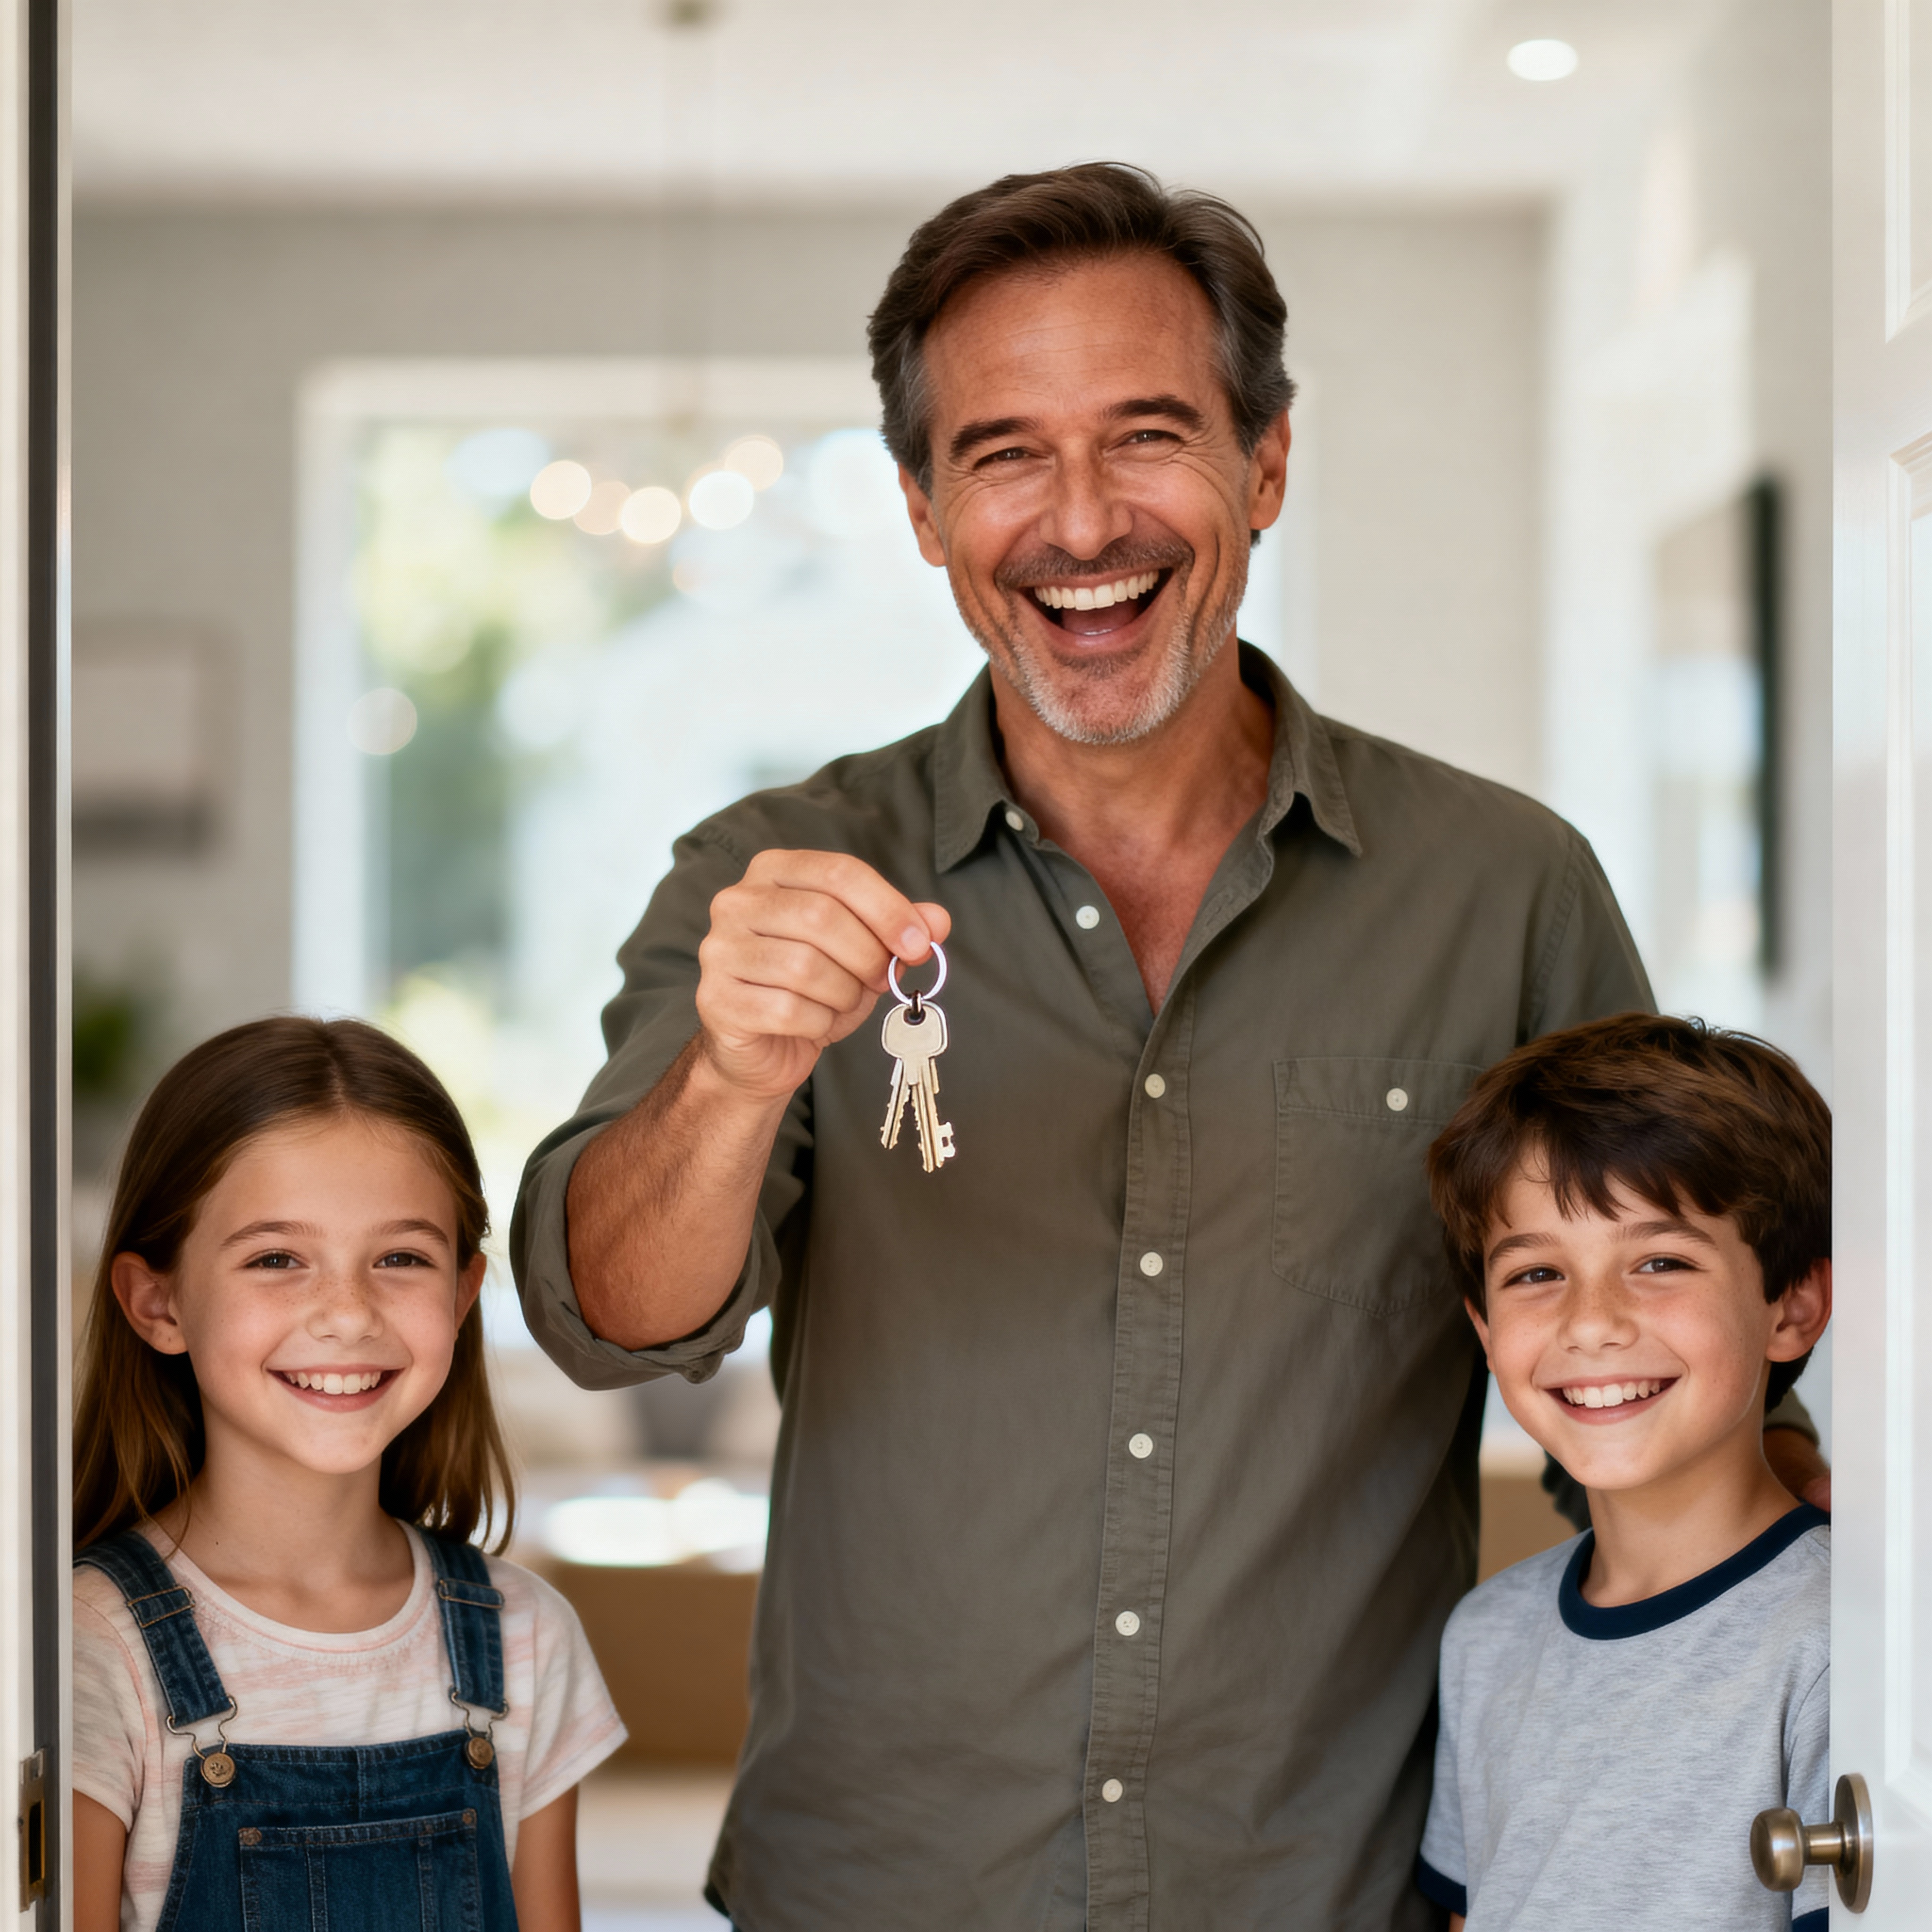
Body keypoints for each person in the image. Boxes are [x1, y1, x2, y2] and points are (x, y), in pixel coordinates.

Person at [513, 163, 1826, 1928]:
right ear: (918, 507)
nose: (1078, 522)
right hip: (889, 1890)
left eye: (1144, 436)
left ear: (1263, 464)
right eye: (1000, 454)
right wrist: (731, 1079)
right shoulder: (776, 873)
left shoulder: (1503, 889)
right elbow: (610, 1320)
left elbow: (1684, 1323)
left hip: (1329, 1886)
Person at [70, 1017, 625, 1932]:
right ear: (157, 1300)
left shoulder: (528, 1638)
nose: (345, 1312)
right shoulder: (93, 1645)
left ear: (460, 1291)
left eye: (400, 1257)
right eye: (277, 1258)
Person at [1418, 1014, 1832, 1930]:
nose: (1590, 1321)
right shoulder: (1484, 1637)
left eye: (1658, 1260)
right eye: (1534, 1274)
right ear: (1483, 1331)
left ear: (1791, 1305)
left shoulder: (1838, 1639)